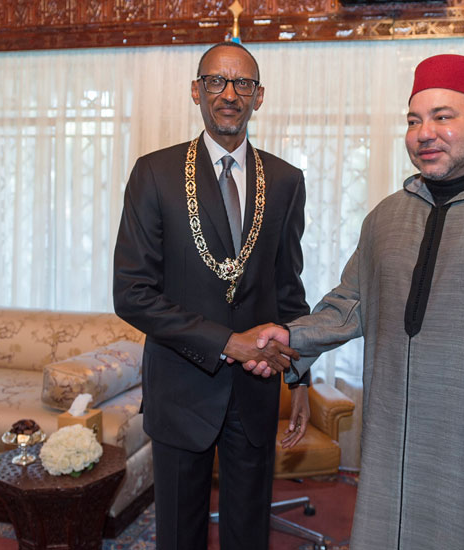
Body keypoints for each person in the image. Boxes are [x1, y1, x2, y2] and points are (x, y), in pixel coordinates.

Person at [249, 54, 464, 549]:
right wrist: (291, 335)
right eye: (413, 121)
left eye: (442, 117)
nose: (424, 133)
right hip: (392, 456)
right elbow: (353, 301)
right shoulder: (387, 217)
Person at [112, 42, 310, 550]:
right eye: (216, 81)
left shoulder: (286, 181)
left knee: (249, 536)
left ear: (258, 96)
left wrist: (300, 378)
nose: (229, 94)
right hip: (181, 388)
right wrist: (227, 343)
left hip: (257, 389)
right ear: (196, 91)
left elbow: (289, 290)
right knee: (180, 536)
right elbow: (132, 293)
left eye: (242, 83)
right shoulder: (154, 174)